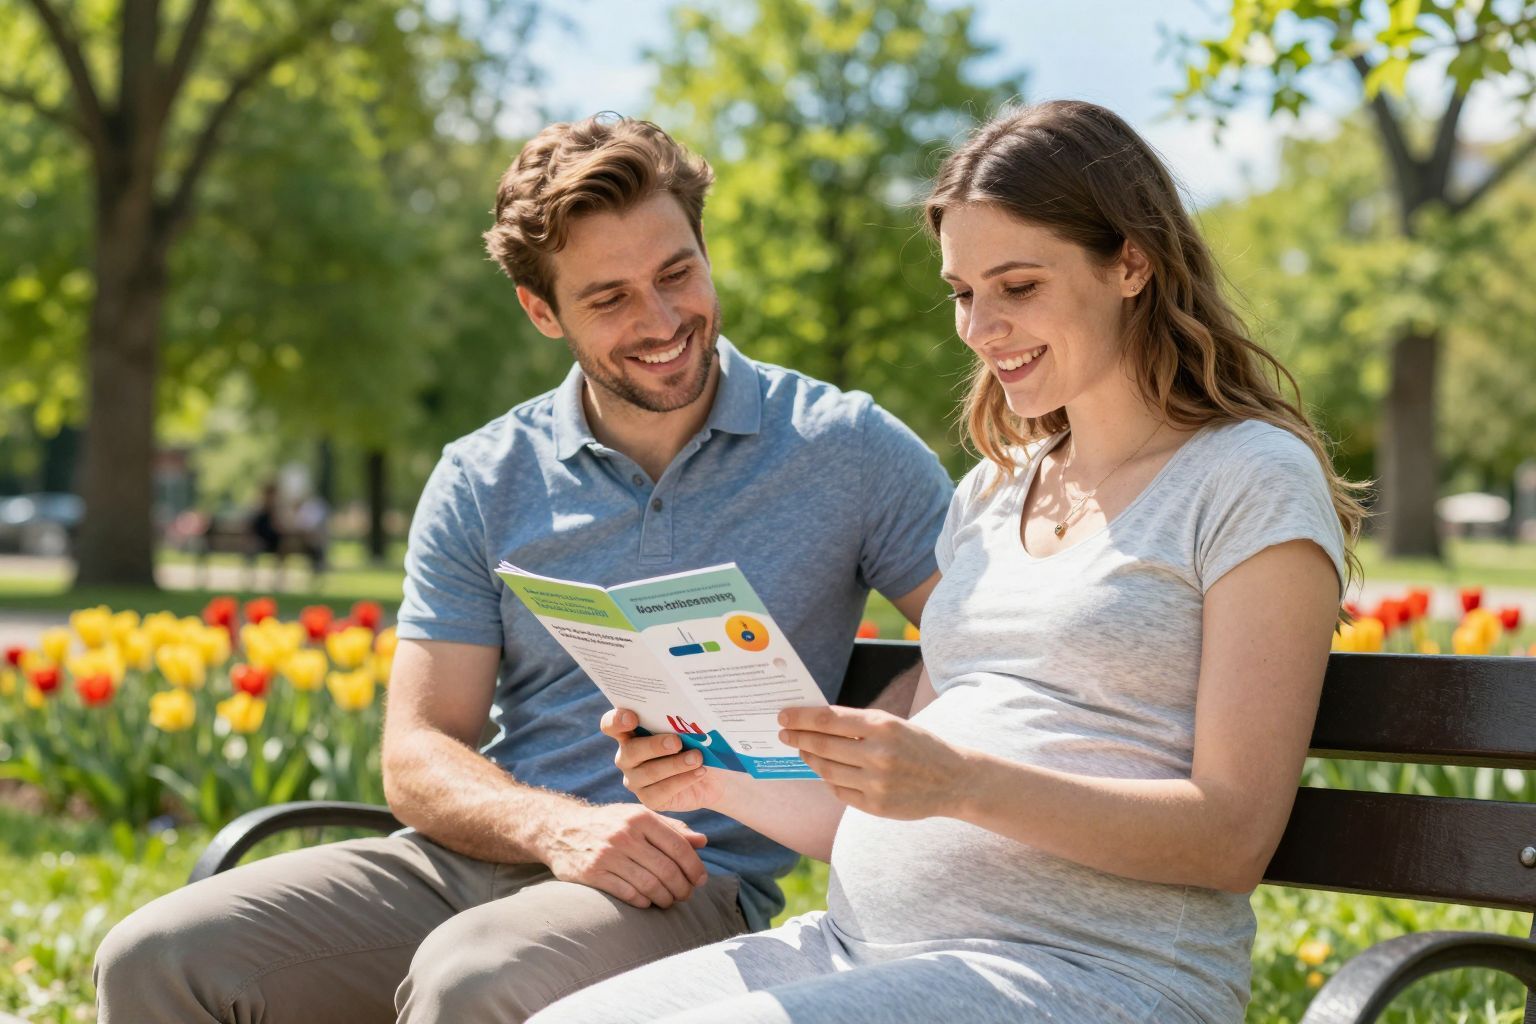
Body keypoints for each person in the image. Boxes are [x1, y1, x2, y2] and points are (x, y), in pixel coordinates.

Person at [92, 115, 952, 1023]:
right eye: (609, 297)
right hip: (472, 863)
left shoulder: (845, 446)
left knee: (473, 975)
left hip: (685, 882)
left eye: (677, 274)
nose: (661, 321)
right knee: (154, 957)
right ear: (542, 312)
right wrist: (559, 827)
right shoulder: (484, 477)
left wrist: (878, 745)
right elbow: (419, 751)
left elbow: (996, 631)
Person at [529, 100, 1363, 1024]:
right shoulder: (992, 495)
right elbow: (879, 812)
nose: (979, 327)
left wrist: (963, 783)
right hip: (866, 952)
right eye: (964, 292)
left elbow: (1232, 834)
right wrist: (709, 775)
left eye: (1017, 286)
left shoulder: (1247, 478)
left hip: (1091, 976)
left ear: (1131, 260)